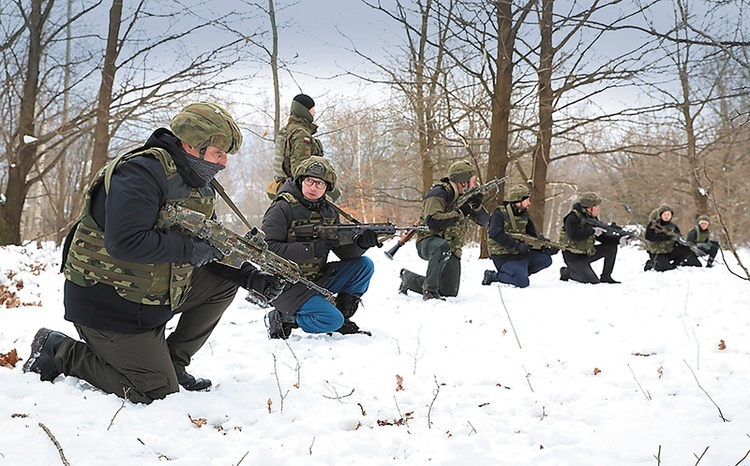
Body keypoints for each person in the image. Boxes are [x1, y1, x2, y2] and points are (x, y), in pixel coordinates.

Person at [22, 102, 284, 404]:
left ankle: (172, 363)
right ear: (191, 145)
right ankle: (59, 351)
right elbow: (124, 241)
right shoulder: (139, 173)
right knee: (154, 393)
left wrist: (250, 277)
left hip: (149, 298)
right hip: (109, 304)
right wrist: (189, 249)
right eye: (218, 153)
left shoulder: (197, 186)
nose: (223, 163)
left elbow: (210, 246)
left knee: (224, 283)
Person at [260, 156, 377, 339]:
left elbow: (342, 251)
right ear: (301, 180)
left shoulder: (328, 212)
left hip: (317, 279)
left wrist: (361, 244)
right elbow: (267, 251)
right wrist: (311, 250)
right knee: (330, 321)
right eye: (310, 181)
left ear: (327, 188)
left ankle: (342, 317)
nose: (314, 188)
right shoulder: (282, 207)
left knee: (364, 265)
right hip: (287, 287)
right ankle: (283, 317)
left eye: (320, 184)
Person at [398, 160, 489, 300]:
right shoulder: (438, 193)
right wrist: (461, 213)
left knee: (448, 291)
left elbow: (484, 221)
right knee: (441, 246)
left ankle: (410, 280)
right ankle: (429, 292)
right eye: (472, 181)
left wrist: (476, 206)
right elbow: (433, 220)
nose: (475, 184)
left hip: (451, 248)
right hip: (428, 242)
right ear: (463, 182)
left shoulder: (464, 198)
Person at [266, 94, 341, 200]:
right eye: (312, 109)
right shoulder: (301, 134)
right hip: (298, 193)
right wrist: (330, 188)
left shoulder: (286, 130)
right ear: (304, 111)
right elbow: (301, 169)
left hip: (285, 188)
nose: (314, 113)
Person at [482, 184, 556, 288]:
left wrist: (543, 248)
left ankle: (519, 272)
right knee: (522, 282)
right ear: (518, 200)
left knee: (546, 260)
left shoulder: (524, 215)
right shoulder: (500, 213)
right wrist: (517, 245)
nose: (529, 203)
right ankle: (493, 276)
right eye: (527, 200)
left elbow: (531, 237)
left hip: (520, 254)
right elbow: (495, 233)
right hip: (504, 256)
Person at [559, 192, 621, 284]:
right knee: (591, 280)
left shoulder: (592, 219)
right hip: (573, 256)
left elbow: (601, 238)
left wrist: (618, 240)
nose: (598, 209)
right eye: (596, 207)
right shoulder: (572, 218)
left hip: (587, 253)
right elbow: (574, 235)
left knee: (611, 248)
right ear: (589, 208)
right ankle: (566, 272)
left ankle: (606, 276)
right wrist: (592, 231)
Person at [644, 204, 693, 271]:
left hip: (669, 250)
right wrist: (663, 237)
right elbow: (648, 236)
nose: (666, 217)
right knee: (664, 269)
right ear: (661, 215)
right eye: (664, 214)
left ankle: (674, 266)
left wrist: (684, 244)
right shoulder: (653, 225)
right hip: (657, 252)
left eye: (668, 214)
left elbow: (678, 237)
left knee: (687, 249)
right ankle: (651, 263)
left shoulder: (673, 227)